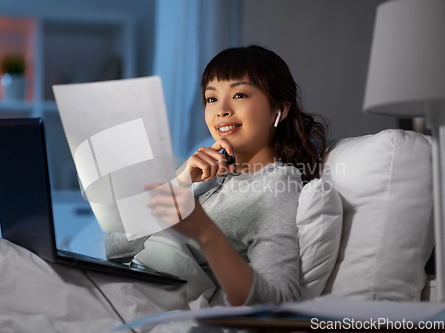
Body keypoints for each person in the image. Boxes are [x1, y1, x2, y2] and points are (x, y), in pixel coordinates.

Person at [108, 45, 327, 307]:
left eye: (240, 94)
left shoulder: (276, 186)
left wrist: (206, 233)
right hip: (126, 286)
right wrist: (181, 179)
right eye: (211, 99)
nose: (221, 110)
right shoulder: (211, 175)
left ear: (280, 108)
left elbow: (276, 303)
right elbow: (115, 246)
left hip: (147, 304)